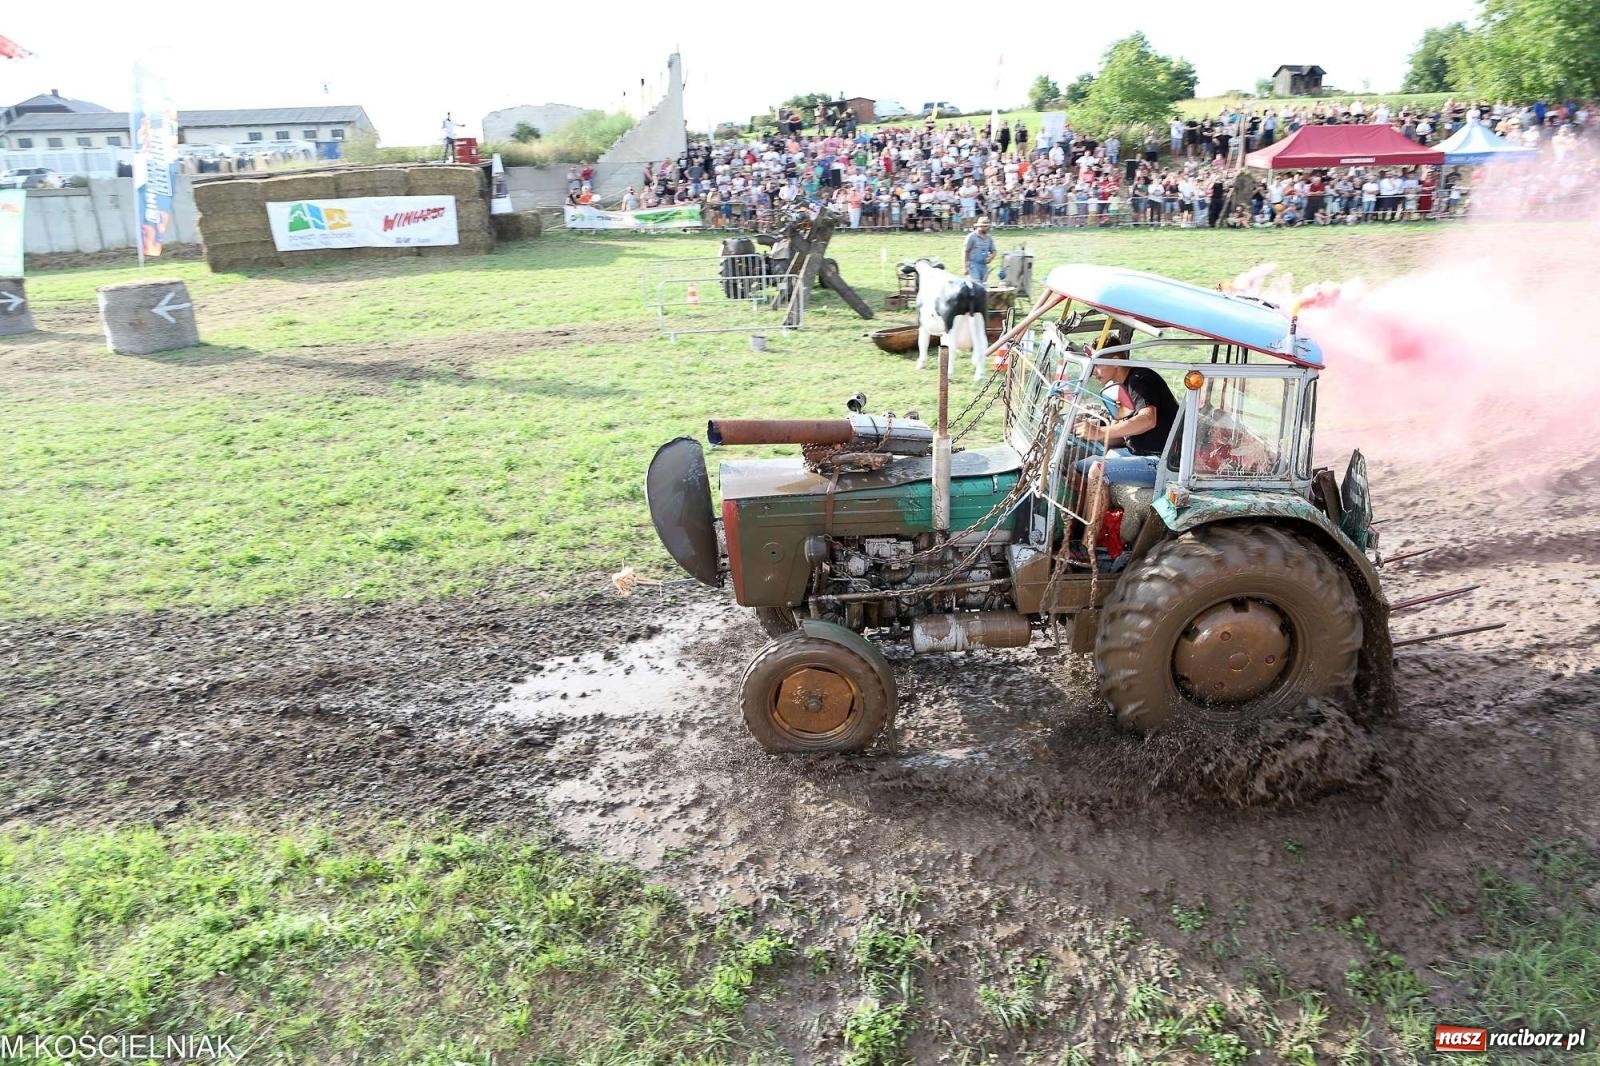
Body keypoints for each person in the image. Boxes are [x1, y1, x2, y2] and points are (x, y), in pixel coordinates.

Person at [1071, 345, 1180, 487]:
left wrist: (1100, 432)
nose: (1093, 372)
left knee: (1097, 469)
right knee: (1077, 466)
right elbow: (1118, 438)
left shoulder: (1140, 380)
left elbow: (1148, 420)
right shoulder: (1118, 388)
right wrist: (1085, 430)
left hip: (1161, 462)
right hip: (1135, 452)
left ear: (1115, 361)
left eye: (1097, 365)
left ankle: (1092, 510)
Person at [963, 215, 996, 283]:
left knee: (983, 286)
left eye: (987, 226)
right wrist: (965, 267)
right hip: (973, 265)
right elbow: (965, 252)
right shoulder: (971, 237)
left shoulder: (989, 238)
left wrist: (991, 258)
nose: (987, 228)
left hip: (984, 266)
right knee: (976, 286)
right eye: (984, 226)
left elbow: (994, 251)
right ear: (979, 226)